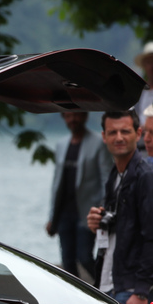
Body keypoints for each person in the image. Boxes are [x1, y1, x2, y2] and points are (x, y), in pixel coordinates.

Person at [85, 110, 153, 304]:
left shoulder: (147, 177)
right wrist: (97, 223)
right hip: (109, 284)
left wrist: (141, 292)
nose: (119, 138)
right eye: (113, 133)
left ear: (138, 134)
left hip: (130, 290)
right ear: (104, 137)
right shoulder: (115, 175)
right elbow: (121, 228)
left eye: (125, 131)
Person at [47, 111, 113, 280]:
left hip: (87, 211)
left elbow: (107, 179)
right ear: (64, 118)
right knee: (67, 261)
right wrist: (52, 217)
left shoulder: (98, 143)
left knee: (84, 257)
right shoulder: (62, 144)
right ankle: (75, 298)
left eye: (75, 115)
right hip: (64, 213)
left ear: (84, 116)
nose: (72, 119)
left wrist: (103, 209)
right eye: (68, 116)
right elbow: (57, 184)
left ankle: (104, 288)